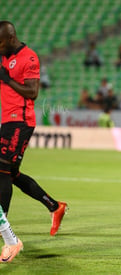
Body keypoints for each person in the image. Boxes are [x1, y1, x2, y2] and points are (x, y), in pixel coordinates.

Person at [0, 21, 67, 236]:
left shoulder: (29, 57)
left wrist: (7, 79)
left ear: (11, 39)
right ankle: (54, 206)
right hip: (7, 121)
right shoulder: (3, 56)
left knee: (1, 171)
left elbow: (32, 92)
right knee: (11, 174)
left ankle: (3, 227)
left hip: (20, 121)